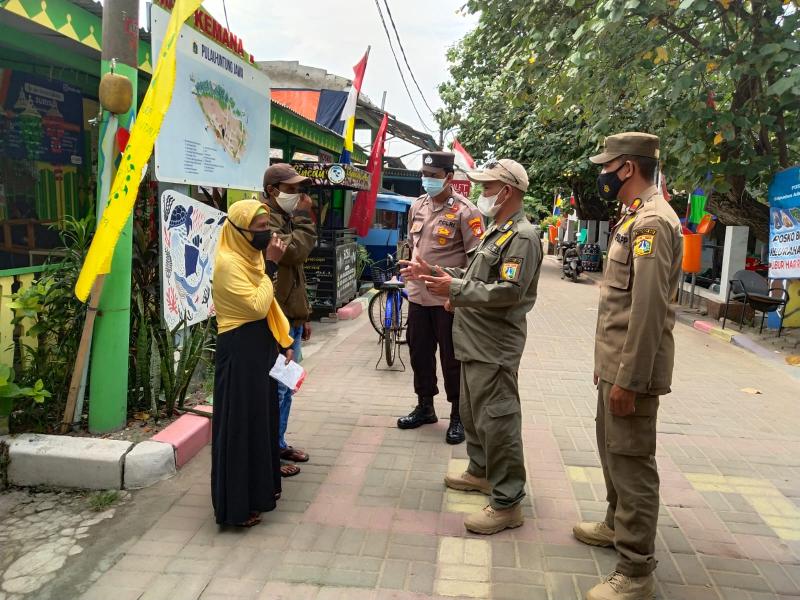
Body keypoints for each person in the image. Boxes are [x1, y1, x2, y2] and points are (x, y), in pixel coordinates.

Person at [401, 159, 542, 534]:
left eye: (487, 186)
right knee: (473, 411)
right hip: (473, 339)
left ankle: (507, 501)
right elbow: (476, 275)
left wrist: (456, 290)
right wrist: (433, 275)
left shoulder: (522, 236)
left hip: (494, 344)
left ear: (506, 191)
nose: (482, 192)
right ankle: (481, 471)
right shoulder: (498, 231)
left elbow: (509, 292)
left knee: (498, 420)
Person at [574, 132, 682, 600]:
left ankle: (636, 569)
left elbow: (648, 311)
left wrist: (630, 379)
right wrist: (608, 364)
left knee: (632, 461)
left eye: (608, 164)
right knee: (612, 450)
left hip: (632, 370)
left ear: (627, 169)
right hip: (617, 363)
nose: (602, 172)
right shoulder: (636, 216)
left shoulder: (653, 223)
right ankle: (616, 524)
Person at [210, 199, 294, 527]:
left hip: (260, 347)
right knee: (240, 427)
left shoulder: (251, 256)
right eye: (259, 229)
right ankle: (236, 507)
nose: (266, 234)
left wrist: (283, 341)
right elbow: (258, 305)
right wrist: (272, 266)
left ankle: (260, 491)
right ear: (240, 232)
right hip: (240, 350)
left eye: (267, 226)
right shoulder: (228, 263)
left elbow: (269, 306)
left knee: (262, 421)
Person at [397, 151, 484, 445]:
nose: (427, 180)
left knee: (452, 360)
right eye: (424, 174)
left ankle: (458, 415)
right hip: (418, 297)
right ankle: (425, 406)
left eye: (433, 176)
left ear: (448, 177)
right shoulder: (417, 206)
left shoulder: (465, 211)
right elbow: (414, 247)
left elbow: (477, 262)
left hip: (447, 300)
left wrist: (455, 290)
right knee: (419, 354)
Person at [263, 163, 317, 476]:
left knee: (287, 385)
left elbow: (296, 274)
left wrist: (303, 314)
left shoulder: (282, 217)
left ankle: (279, 443)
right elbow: (295, 253)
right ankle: (271, 452)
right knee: (277, 388)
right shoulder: (264, 219)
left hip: (290, 318)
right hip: (275, 320)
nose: (298, 195)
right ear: (273, 190)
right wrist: (303, 217)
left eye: (299, 189)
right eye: (292, 189)